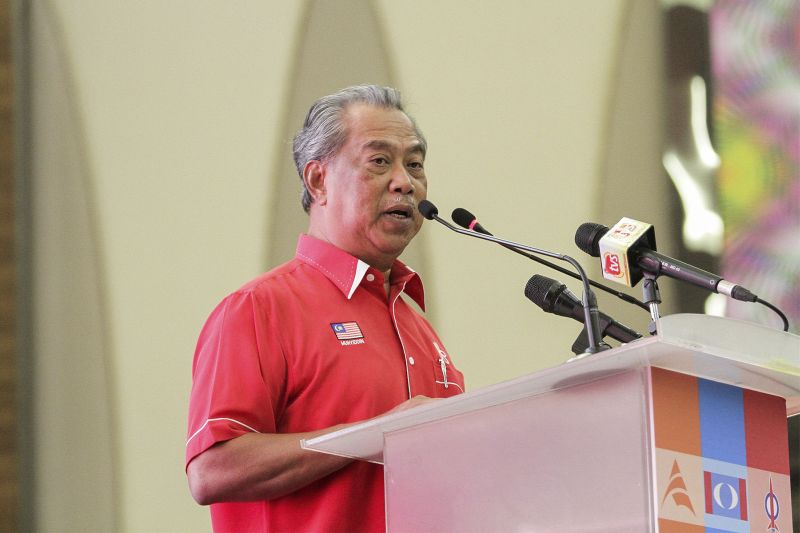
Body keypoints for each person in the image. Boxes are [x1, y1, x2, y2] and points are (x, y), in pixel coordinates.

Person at [185, 85, 465, 532]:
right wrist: (375, 435)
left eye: (415, 164)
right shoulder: (259, 309)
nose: (405, 182)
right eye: (379, 161)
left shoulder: (417, 326)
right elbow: (211, 470)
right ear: (318, 181)